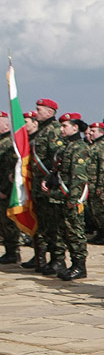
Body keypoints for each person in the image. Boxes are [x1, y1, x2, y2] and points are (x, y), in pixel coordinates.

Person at [30, 98, 65, 274]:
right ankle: (50, 258)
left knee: (54, 225)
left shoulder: (54, 130)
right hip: (39, 186)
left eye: (39, 109)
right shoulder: (42, 130)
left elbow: (57, 157)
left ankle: (59, 260)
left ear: (50, 112)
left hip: (50, 187)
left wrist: (51, 179)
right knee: (44, 224)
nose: (36, 112)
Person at [54, 113, 90, 280]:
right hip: (64, 196)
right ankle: (73, 264)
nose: (62, 129)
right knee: (67, 232)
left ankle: (79, 266)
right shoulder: (68, 146)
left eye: (65, 126)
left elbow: (79, 176)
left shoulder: (79, 147)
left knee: (75, 232)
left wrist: (73, 199)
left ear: (75, 128)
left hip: (73, 198)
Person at [0, 112, 22, 264]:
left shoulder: (9, 144)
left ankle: (13, 251)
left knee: (8, 223)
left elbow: (9, 171)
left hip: (4, 192)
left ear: (6, 125)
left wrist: (4, 190)